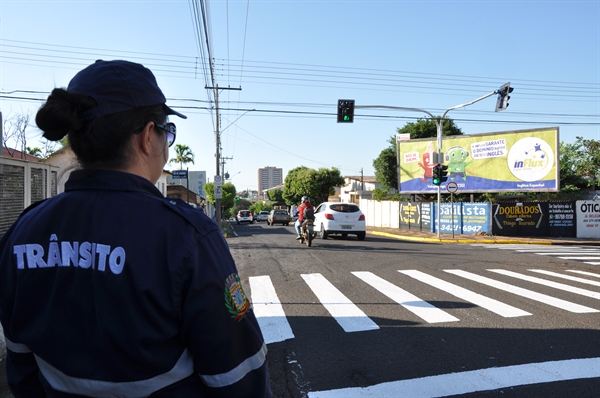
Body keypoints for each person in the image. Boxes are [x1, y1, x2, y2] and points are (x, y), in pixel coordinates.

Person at [0, 60, 272, 397]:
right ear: (147, 136)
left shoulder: (23, 231)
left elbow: (21, 366)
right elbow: (238, 376)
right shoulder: (187, 236)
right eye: (167, 132)